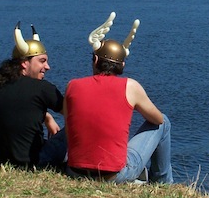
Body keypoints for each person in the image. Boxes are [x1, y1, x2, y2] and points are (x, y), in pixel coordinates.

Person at [64, 12, 173, 183]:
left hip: (74, 171)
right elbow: (157, 119)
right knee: (164, 122)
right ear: (122, 65)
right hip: (113, 175)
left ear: (95, 61)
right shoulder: (131, 86)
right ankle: (162, 183)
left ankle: (144, 180)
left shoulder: (72, 85)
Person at [0, 21, 66, 169]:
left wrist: (47, 117)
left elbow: (18, 105)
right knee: (75, 125)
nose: (47, 67)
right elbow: (77, 114)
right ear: (24, 63)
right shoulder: (42, 88)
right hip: (31, 163)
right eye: (42, 61)